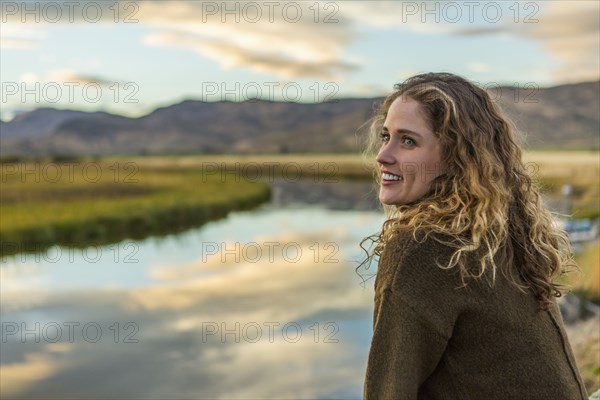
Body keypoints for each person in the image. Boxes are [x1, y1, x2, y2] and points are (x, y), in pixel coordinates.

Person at [359, 72, 589, 399]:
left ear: (454, 157)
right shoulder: (500, 229)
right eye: (386, 136)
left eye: (407, 140)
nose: (383, 155)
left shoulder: (422, 247)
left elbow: (389, 392)